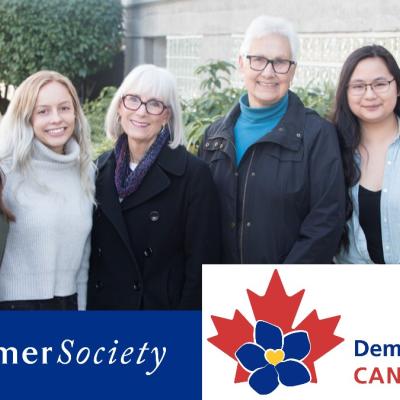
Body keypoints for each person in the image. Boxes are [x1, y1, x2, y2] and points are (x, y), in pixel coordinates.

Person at [198, 15, 345, 264]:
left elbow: (326, 223)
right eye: (258, 60)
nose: (268, 72)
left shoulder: (317, 135)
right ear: (241, 63)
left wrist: (277, 288)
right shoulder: (214, 137)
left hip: (286, 296)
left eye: (280, 62)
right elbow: (200, 222)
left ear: (293, 70)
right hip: (224, 292)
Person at [87, 64, 221, 310]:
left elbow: (202, 266)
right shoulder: (98, 170)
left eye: (154, 104)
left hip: (160, 319)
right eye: (133, 100)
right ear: (120, 106)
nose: (141, 112)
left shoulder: (193, 175)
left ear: (166, 115)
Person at [0, 70, 95, 310]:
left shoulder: (86, 171)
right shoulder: (6, 171)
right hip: (14, 309)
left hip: (67, 306)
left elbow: (85, 256)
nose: (56, 119)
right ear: (26, 117)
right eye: (43, 111)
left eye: (64, 108)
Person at [334, 45, 400, 264]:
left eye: (380, 84)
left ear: (397, 87)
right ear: (345, 92)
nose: (370, 95)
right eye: (358, 86)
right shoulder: (332, 148)